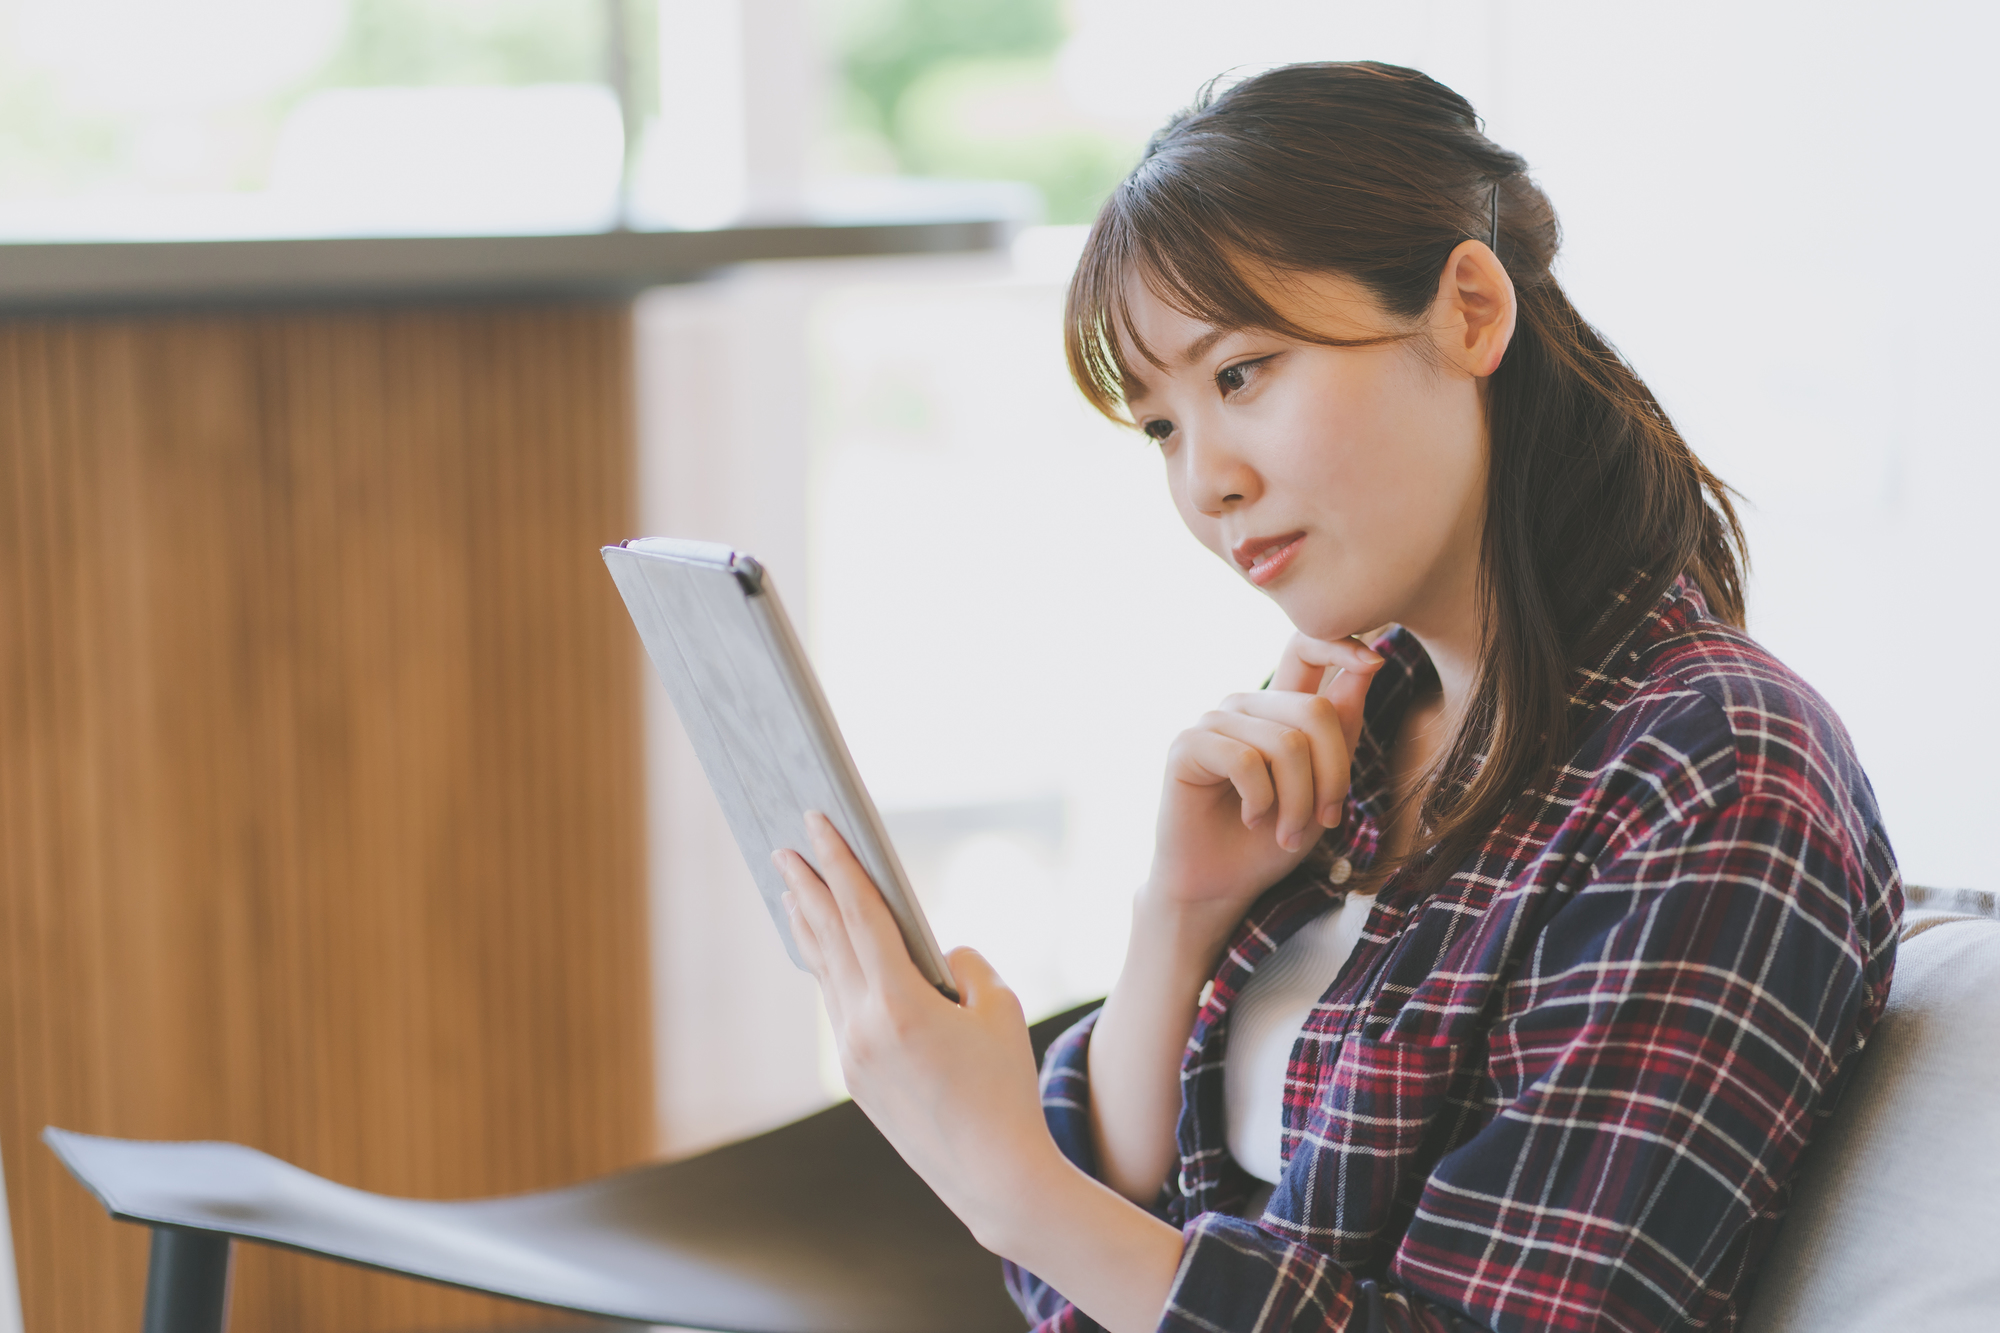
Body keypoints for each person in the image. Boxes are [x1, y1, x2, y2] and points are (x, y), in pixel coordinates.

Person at [770, 61, 1901, 1333]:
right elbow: (1084, 1264)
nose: (1206, 482)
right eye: (1158, 427)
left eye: (1242, 373)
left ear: (1469, 310)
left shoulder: (1712, 768)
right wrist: (1177, 916)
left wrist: (1007, 1183)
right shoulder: (1349, 717)